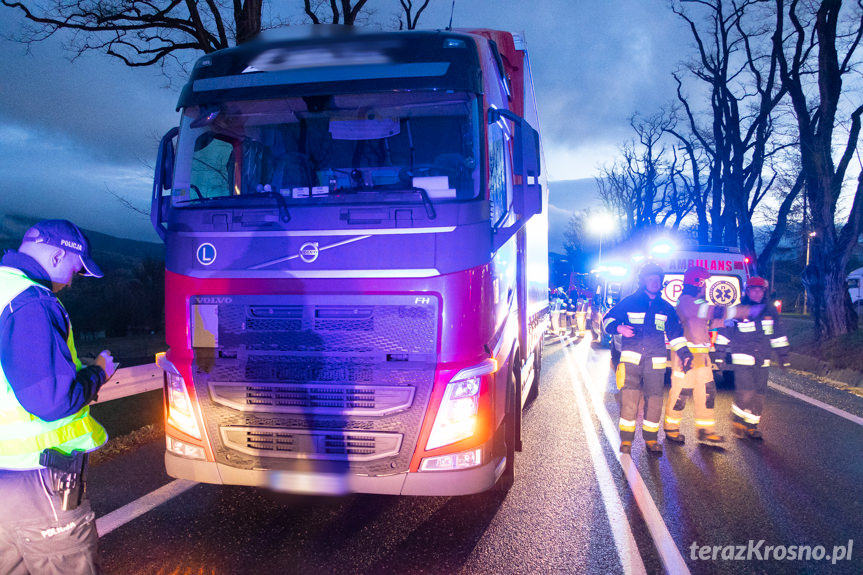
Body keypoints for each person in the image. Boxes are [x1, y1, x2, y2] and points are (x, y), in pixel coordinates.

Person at [0, 219, 116, 574]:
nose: (70, 280)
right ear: (56, 257)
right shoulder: (32, 302)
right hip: (37, 479)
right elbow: (51, 401)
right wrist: (98, 372)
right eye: (75, 269)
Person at [603, 262, 692, 455]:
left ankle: (651, 439)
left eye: (657, 279)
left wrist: (685, 355)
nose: (654, 282)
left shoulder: (665, 308)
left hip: (655, 361)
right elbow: (607, 320)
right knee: (629, 400)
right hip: (631, 361)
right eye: (650, 279)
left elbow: (676, 335)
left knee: (654, 400)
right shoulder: (629, 302)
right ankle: (626, 441)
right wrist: (620, 328)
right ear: (643, 281)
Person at [664, 266, 758, 445]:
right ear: (698, 282)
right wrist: (744, 311)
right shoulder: (687, 301)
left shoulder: (696, 302)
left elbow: (712, 319)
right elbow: (713, 311)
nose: (706, 286)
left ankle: (706, 431)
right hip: (686, 357)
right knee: (680, 394)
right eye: (704, 282)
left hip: (702, 356)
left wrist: (731, 321)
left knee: (707, 393)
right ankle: (671, 429)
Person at [714, 276, 790, 439]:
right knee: (746, 390)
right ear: (747, 291)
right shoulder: (738, 310)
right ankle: (737, 418)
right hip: (743, 358)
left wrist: (783, 354)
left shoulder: (770, 311)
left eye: (760, 290)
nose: (756, 293)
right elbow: (724, 334)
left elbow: (778, 335)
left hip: (763, 359)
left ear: (764, 292)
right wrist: (719, 355)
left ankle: (752, 425)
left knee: (759, 393)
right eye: (753, 290)